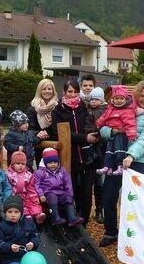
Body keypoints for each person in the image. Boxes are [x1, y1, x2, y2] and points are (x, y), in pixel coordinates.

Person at [99, 81, 144, 247]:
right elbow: (103, 129)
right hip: (116, 159)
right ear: (136, 96)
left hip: (139, 162)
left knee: (135, 201)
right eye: (142, 95)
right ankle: (111, 231)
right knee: (108, 196)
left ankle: (136, 235)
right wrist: (113, 131)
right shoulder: (124, 108)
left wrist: (131, 155)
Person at [49, 80, 99, 226]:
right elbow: (58, 133)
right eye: (70, 91)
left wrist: (92, 136)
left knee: (87, 189)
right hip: (69, 156)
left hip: (87, 155)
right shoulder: (58, 111)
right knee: (72, 188)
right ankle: (71, 216)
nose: (73, 94)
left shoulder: (84, 108)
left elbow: (92, 125)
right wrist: (84, 138)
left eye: (76, 91)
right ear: (64, 92)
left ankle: (84, 220)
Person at [33, 148, 83, 227]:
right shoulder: (40, 172)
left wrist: (70, 193)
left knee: (68, 197)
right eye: (50, 163)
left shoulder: (62, 170)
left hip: (60, 192)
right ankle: (55, 217)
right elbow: (37, 184)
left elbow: (67, 182)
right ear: (45, 163)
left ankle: (71, 218)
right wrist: (41, 194)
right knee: (52, 197)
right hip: (48, 193)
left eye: (55, 162)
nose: (53, 164)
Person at [96, 85, 137, 176]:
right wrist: (98, 124)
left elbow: (130, 123)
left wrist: (131, 135)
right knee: (109, 150)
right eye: (116, 98)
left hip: (121, 134)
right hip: (112, 132)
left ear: (126, 99)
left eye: (121, 98)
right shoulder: (111, 108)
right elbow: (104, 117)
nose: (119, 100)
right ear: (113, 99)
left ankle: (120, 166)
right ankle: (108, 166)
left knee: (119, 150)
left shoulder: (127, 110)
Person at [84, 87, 107, 223]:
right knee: (87, 183)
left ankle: (99, 209)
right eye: (92, 99)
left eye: (96, 99)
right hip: (90, 146)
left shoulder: (103, 110)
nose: (93, 102)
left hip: (101, 148)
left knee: (99, 183)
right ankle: (86, 211)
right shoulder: (87, 110)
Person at [7, 151, 45, 224]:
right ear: (12, 164)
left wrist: (34, 197)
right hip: (14, 196)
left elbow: (31, 188)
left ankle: (38, 215)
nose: (21, 166)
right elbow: (8, 186)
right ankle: (27, 217)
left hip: (26, 195)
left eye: (23, 164)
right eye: (18, 164)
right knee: (21, 206)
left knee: (33, 203)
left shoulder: (28, 174)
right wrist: (9, 196)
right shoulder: (9, 174)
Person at [27, 79, 58, 166]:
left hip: (56, 148)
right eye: (44, 89)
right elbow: (29, 129)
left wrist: (47, 133)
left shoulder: (58, 107)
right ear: (39, 91)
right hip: (40, 148)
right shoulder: (32, 108)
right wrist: (38, 133)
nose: (47, 91)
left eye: (49, 89)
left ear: (53, 91)